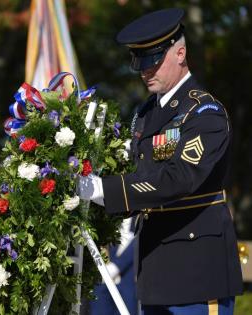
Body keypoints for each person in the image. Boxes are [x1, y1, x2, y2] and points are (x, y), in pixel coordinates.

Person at [79, 8, 243, 315]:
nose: (145, 70)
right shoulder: (144, 114)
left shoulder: (204, 113)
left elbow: (179, 177)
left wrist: (103, 189)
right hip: (154, 272)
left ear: (180, 53)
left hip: (196, 274)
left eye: (154, 60)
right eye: (140, 62)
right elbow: (137, 176)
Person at [90, 217, 137, 315]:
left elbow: (139, 239)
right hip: (102, 276)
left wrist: (117, 266)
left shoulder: (142, 210)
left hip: (129, 276)